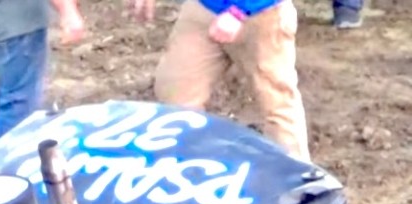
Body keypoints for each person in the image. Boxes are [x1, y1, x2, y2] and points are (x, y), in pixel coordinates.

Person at [129, 0, 311, 163]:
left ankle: (300, 179)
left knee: (277, 103)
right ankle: (180, 169)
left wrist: (238, 10)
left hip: (261, 13)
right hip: (204, 8)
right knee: (175, 94)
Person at [0, 0, 87, 145]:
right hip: (16, 27)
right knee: (19, 107)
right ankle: (5, 155)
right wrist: (68, 11)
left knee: (14, 97)